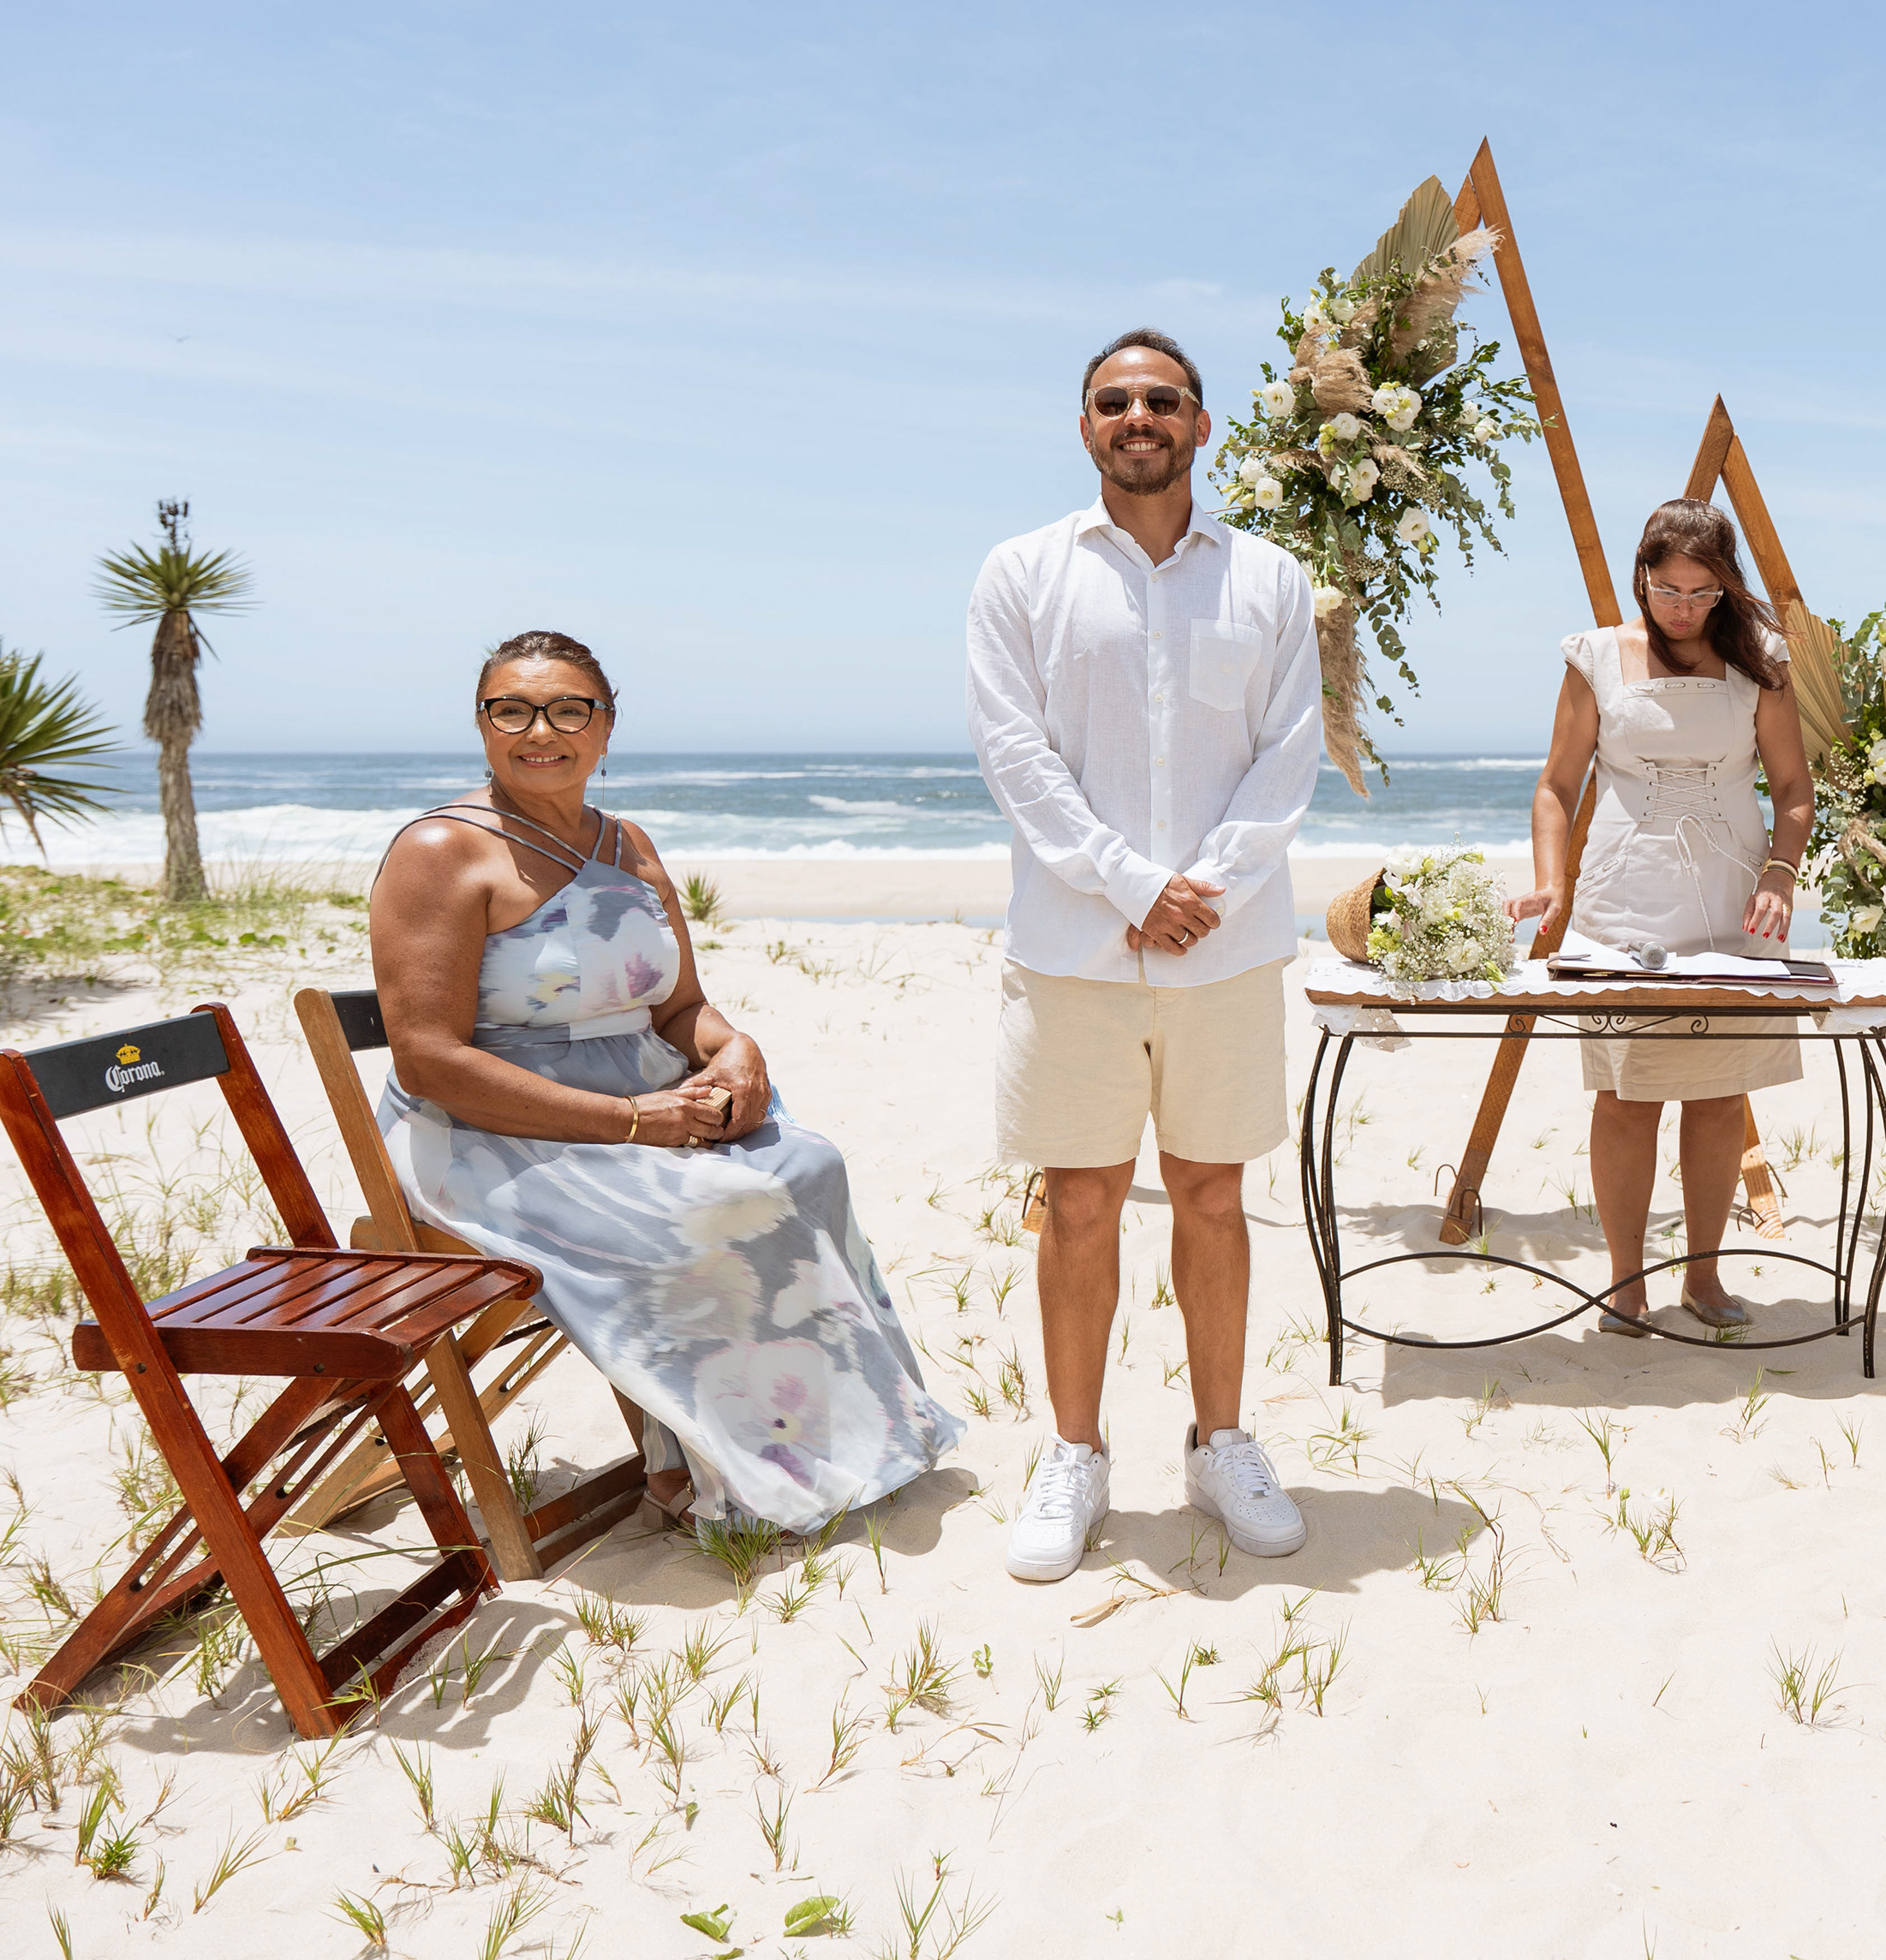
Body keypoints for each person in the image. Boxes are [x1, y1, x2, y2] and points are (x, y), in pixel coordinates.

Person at [373, 630, 961, 1533]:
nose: (541, 731)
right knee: (716, 1213)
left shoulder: (627, 843)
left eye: (569, 709)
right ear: (482, 724)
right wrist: (627, 1119)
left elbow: (679, 1006)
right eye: (512, 710)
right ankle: (703, 1466)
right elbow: (429, 1059)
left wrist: (735, 1049)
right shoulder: (442, 850)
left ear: (606, 727)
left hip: (647, 1103)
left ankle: (844, 1439)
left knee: (810, 1165)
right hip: (492, 1132)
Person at [967, 327, 1323, 1581]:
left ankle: (1221, 1444)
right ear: (1085, 428)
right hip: (1074, 945)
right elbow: (1014, 752)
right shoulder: (1021, 572)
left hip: (1224, 948)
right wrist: (1131, 884)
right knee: (1078, 1203)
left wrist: (1198, 892)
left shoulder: (1269, 579)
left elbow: (1289, 753)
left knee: (1216, 1195)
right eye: (1114, 401)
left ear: (1200, 425)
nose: (1138, 417)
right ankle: (1075, 1454)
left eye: (1161, 399)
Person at [1506, 500, 1817, 1337]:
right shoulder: (1596, 656)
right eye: (1668, 589)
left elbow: (1794, 790)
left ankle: (1704, 1277)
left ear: (1725, 587)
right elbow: (1556, 786)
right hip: (1622, 904)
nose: (1683, 607)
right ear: (1641, 576)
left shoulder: (1761, 661)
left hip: (1733, 904)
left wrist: (1781, 875)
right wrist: (1552, 882)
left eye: (1701, 593)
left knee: (1718, 1096)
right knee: (1626, 1097)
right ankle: (1626, 1283)